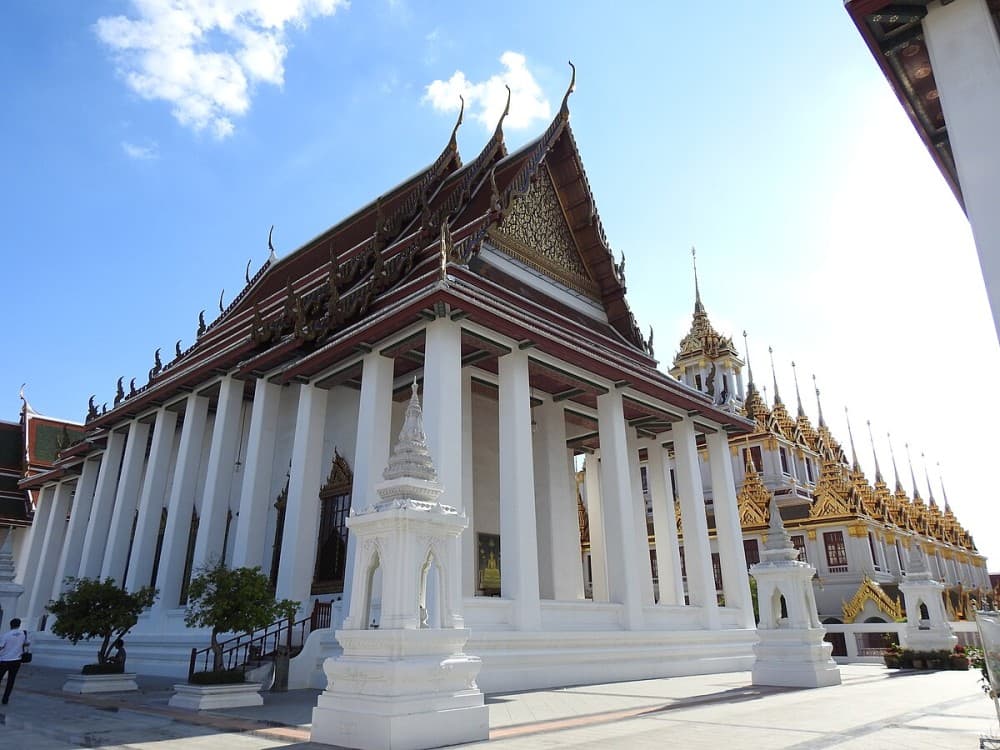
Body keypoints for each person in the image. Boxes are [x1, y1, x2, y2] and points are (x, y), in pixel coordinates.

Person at [0, 617, 28, 705]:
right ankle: (5, 699)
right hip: (16, 660)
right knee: (11, 680)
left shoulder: (6, 635)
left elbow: (1, 646)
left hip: (4, 659)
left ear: (10, 625)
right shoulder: (23, 634)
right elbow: (27, 643)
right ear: (19, 625)